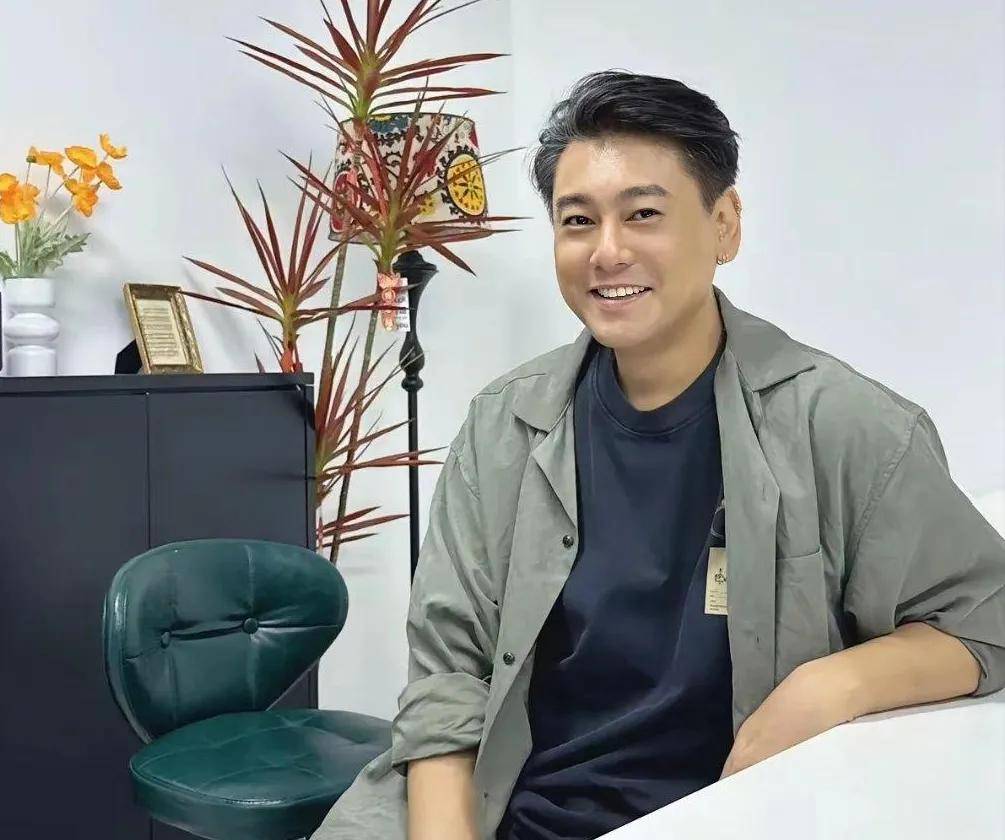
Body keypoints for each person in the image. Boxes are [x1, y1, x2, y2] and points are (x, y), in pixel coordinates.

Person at [312, 70, 1005, 840]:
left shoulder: (840, 424)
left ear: (723, 225)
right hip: (504, 809)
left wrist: (829, 685)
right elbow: (448, 675)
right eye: (578, 221)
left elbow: (986, 620)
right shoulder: (503, 426)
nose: (607, 251)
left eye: (643, 213)